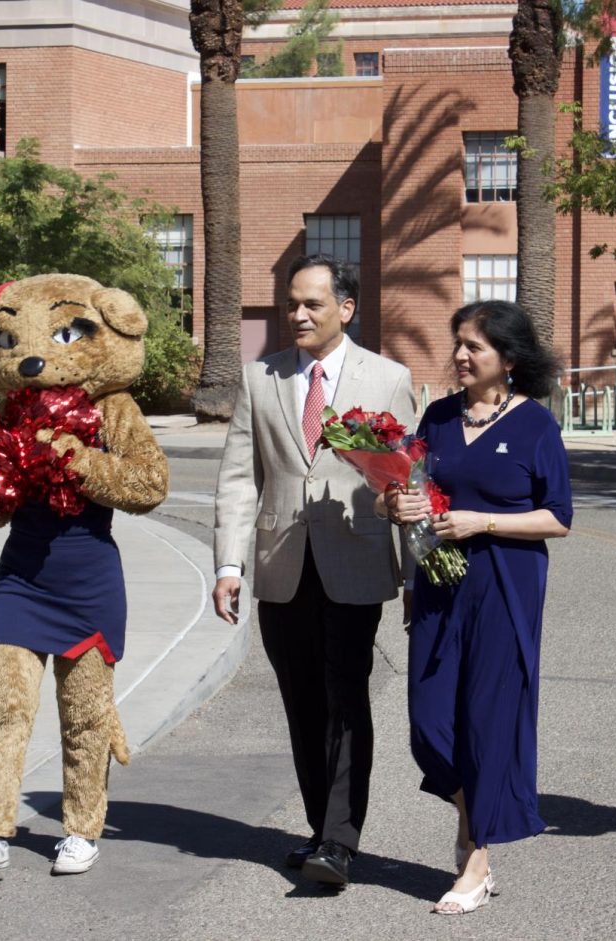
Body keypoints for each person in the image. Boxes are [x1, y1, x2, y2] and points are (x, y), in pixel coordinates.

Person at [212, 254, 415, 888]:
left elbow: (410, 481)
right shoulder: (260, 377)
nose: (297, 315)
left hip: (354, 560)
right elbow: (241, 479)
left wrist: (415, 574)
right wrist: (228, 564)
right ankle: (318, 826)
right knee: (301, 701)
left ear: (345, 309)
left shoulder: (388, 379)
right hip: (280, 565)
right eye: (291, 304)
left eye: (312, 305)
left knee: (346, 695)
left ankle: (339, 839)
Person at [384, 299, 572, 915]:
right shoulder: (437, 418)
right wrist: (397, 505)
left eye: (475, 347)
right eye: (458, 343)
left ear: (509, 360)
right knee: (430, 722)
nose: (461, 355)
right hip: (439, 586)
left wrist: (484, 521)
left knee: (487, 722)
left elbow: (558, 519)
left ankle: (475, 857)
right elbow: (405, 486)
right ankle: (471, 826)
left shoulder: (535, 426)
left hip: (505, 589)